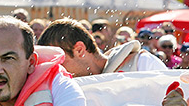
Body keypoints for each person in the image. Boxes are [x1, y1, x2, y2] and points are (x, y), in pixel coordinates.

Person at [37, 18, 165, 76]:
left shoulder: (142, 64)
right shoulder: (69, 91)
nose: (58, 71)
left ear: (80, 50)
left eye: (60, 63)